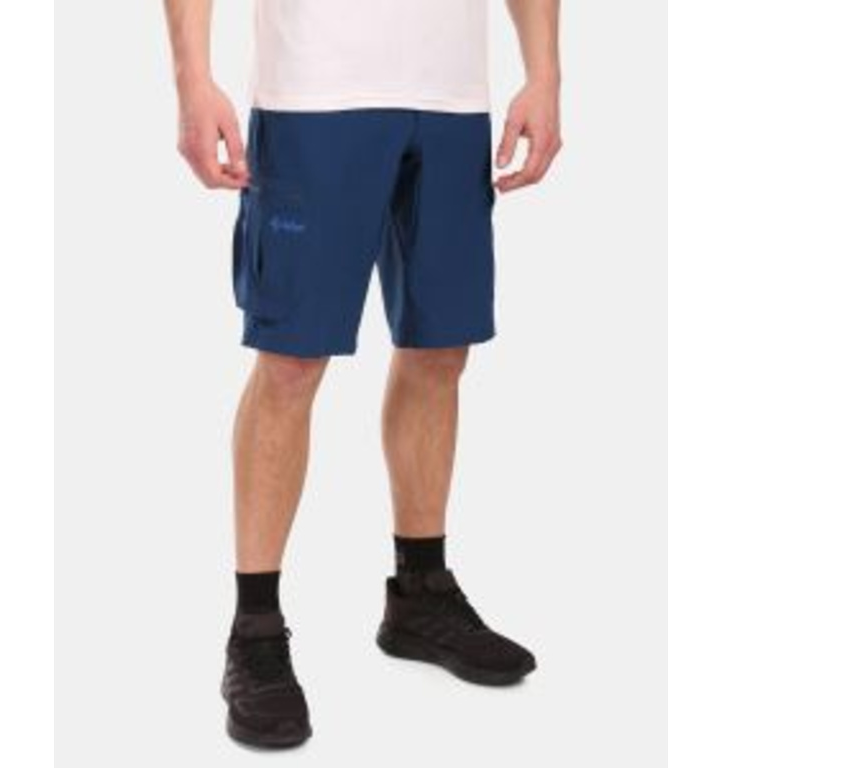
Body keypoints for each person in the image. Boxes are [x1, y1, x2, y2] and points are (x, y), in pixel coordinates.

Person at [164, 0, 562, 749]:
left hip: (451, 97)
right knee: (291, 360)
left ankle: (421, 592)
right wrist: (193, 79)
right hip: (316, 91)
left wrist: (544, 75)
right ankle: (255, 629)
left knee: (441, 348)